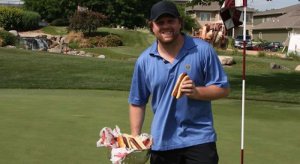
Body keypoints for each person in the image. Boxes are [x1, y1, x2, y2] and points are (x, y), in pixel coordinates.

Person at [128, 1, 230, 164]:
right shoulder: (144, 60)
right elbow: (137, 101)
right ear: (152, 26)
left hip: (199, 139)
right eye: (160, 22)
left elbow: (223, 88)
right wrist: (135, 138)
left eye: (171, 21)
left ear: (180, 23)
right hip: (162, 142)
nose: (166, 26)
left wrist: (196, 92)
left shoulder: (202, 50)